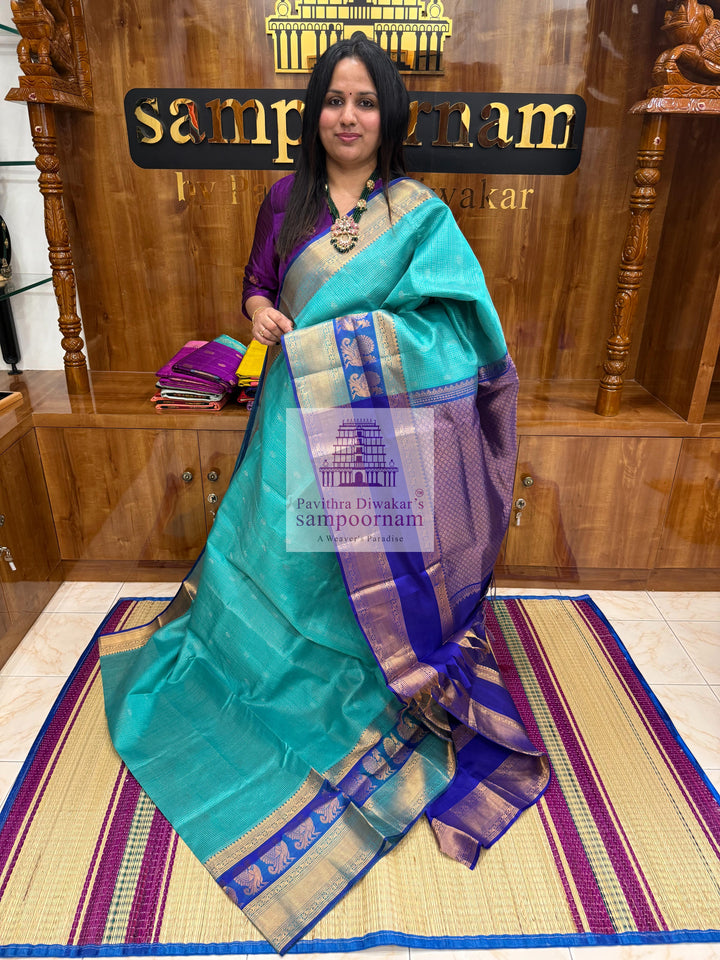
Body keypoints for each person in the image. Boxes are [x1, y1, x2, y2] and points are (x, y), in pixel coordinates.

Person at [99, 34, 550, 955]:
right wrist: (260, 314)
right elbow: (259, 288)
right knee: (290, 554)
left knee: (369, 567)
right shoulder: (286, 198)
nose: (348, 115)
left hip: (377, 426)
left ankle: (374, 678)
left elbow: (456, 327)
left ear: (388, 113)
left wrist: (364, 342)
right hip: (293, 420)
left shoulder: (419, 214)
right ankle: (265, 669)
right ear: (316, 113)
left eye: (366, 100)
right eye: (334, 99)